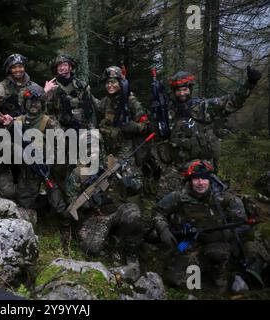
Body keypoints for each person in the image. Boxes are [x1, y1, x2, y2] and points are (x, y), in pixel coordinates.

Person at [152, 66, 262, 199]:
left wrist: (250, 83)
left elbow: (232, 101)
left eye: (185, 89)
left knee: (213, 202)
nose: (182, 94)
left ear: (190, 89)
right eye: (179, 91)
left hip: (202, 166)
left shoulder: (204, 107)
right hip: (178, 168)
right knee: (164, 200)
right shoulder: (167, 112)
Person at [153, 159, 262, 292]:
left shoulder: (226, 199)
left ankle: (224, 276)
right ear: (189, 180)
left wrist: (221, 235)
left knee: (218, 256)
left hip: (218, 244)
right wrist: (163, 229)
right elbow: (158, 212)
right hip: (188, 240)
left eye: (204, 179)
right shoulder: (178, 197)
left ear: (210, 180)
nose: (200, 183)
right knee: (173, 279)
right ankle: (197, 267)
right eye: (196, 179)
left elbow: (243, 227)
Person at [0, 84, 68, 217]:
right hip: (27, 171)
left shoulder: (49, 122)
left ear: (42, 104)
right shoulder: (17, 122)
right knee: (25, 204)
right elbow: (5, 147)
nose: (33, 105)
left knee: (59, 203)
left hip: (48, 169)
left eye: (37, 102)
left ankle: (65, 221)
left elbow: (60, 146)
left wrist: (47, 162)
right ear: (25, 103)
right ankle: (41, 208)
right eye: (30, 102)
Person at [98, 66, 151, 164]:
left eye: (113, 82)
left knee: (124, 175)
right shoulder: (105, 101)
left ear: (120, 83)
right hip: (108, 148)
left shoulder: (131, 101)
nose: (110, 85)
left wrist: (135, 127)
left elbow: (147, 126)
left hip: (128, 150)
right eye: (107, 82)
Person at [44, 54, 99, 130]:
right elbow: (47, 113)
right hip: (58, 127)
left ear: (70, 67)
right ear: (56, 68)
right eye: (59, 66)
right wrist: (45, 92)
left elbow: (92, 107)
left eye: (65, 65)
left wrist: (92, 128)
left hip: (81, 126)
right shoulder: (52, 87)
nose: (62, 68)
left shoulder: (81, 86)